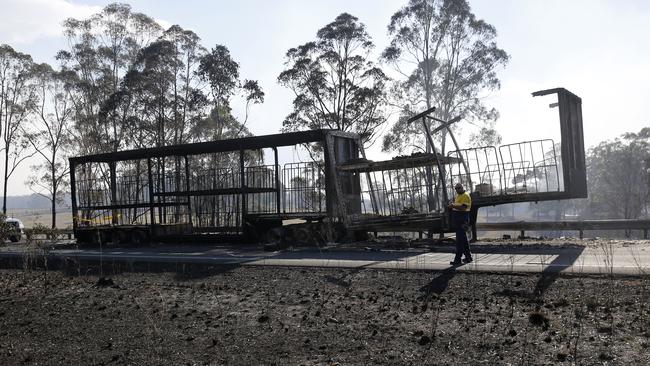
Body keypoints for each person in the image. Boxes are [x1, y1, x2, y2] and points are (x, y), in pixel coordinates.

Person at [448, 183, 473, 265]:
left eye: (459, 188)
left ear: (462, 187)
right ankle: (468, 257)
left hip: (462, 219)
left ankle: (458, 259)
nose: (457, 189)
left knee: (460, 240)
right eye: (456, 188)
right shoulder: (458, 196)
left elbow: (463, 207)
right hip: (459, 220)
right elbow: (457, 205)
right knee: (463, 240)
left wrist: (453, 206)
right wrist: (453, 205)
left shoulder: (465, 195)